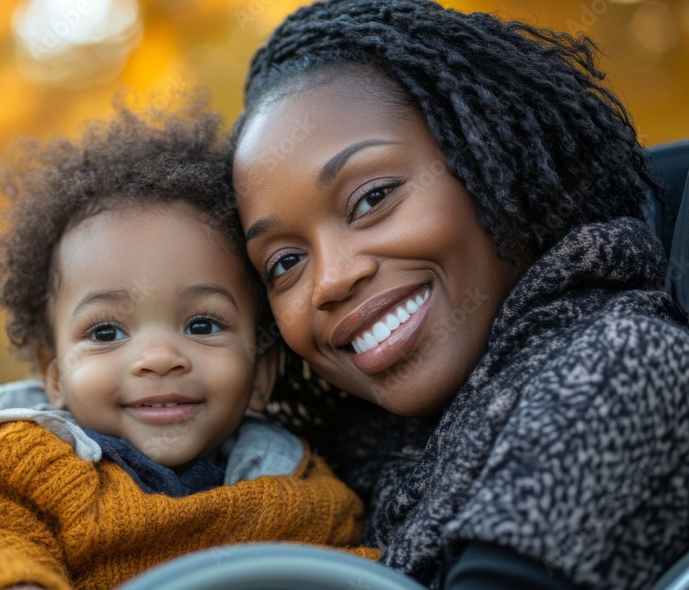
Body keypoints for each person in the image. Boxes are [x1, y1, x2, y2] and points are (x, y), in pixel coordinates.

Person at [229, 0, 689, 589]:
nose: (332, 279)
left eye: (372, 198)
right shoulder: (338, 467)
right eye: (286, 262)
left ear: (493, 157)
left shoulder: (620, 367)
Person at [0, 99, 379, 590]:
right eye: (106, 333)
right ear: (53, 374)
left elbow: (353, 571)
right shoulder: (13, 465)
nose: (159, 358)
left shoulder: (303, 492)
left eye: (203, 325)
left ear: (262, 373)